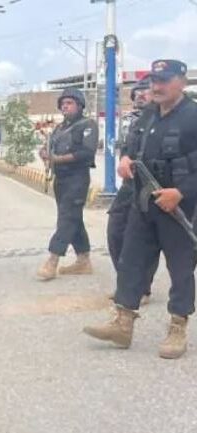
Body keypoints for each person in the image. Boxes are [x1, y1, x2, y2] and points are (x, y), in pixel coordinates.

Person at [84, 59, 197, 360]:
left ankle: (177, 327)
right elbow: (131, 147)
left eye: (164, 80)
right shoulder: (148, 114)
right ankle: (123, 323)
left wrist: (181, 192)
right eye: (154, 80)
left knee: (180, 269)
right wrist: (124, 159)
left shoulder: (193, 116)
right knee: (131, 261)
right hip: (144, 203)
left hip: (179, 207)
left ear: (181, 82)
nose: (156, 87)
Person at [36, 88, 99, 281]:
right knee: (74, 219)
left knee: (66, 219)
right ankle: (83, 260)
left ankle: (53, 260)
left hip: (77, 178)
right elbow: (50, 148)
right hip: (60, 179)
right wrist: (44, 153)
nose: (65, 106)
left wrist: (58, 159)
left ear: (79, 105)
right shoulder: (59, 128)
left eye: (69, 103)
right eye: (63, 103)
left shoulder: (88, 125)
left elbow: (86, 153)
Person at [107, 77, 156, 304]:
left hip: (155, 185)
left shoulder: (167, 120)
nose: (140, 95)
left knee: (148, 239)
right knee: (116, 231)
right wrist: (125, 157)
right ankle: (128, 283)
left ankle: (141, 288)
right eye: (136, 92)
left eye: (146, 91)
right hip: (130, 186)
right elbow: (126, 148)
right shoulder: (132, 121)